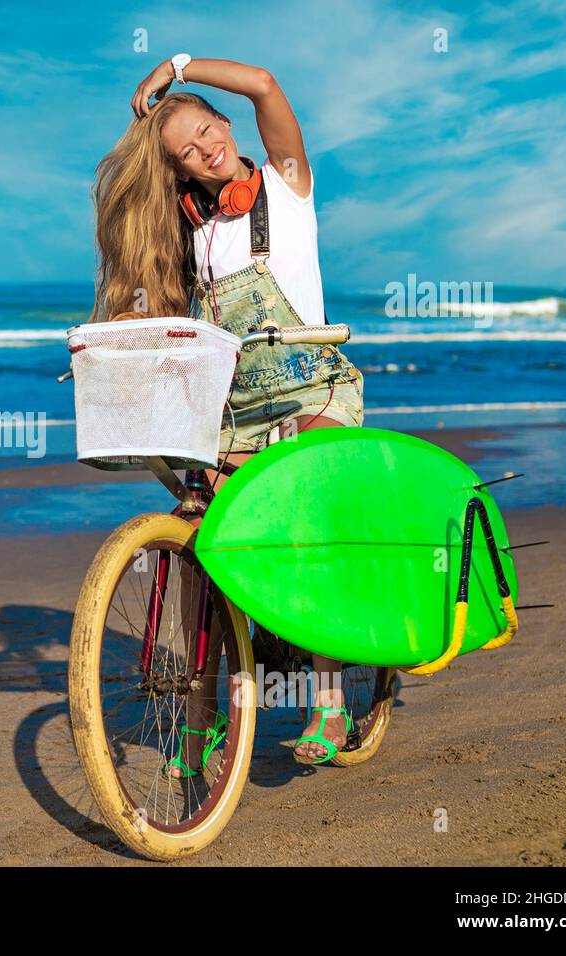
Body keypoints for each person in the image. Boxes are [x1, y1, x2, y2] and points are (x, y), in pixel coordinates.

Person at [91, 54, 365, 766]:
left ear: (225, 121)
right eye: (189, 151)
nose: (209, 148)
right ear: (181, 175)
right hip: (236, 408)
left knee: (301, 504)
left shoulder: (287, 185)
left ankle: (329, 704)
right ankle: (200, 717)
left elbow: (269, 83)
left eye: (209, 129)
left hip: (315, 388)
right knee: (200, 542)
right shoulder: (191, 236)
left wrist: (177, 66)